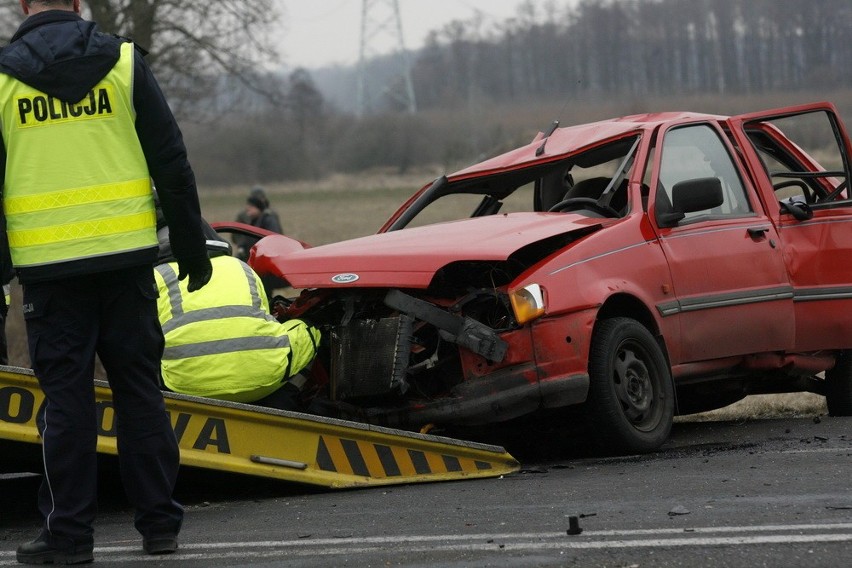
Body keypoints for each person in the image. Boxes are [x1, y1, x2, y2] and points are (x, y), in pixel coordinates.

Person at [0, 1, 213, 564]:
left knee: (67, 403)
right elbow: (171, 159)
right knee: (139, 392)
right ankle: (160, 525)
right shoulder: (123, 62)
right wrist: (191, 246)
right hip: (127, 265)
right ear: (77, 4)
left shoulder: (2, 79)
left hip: (49, 274)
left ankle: (69, 536)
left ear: (23, 5)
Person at [154, 216, 320, 410]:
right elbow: (265, 318)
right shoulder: (241, 267)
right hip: (263, 382)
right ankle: (289, 402)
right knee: (311, 329)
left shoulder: (155, 277)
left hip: (186, 387)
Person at [233, 186, 283, 262]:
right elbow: (236, 233)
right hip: (249, 253)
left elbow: (276, 235)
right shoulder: (244, 215)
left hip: (263, 255)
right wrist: (241, 247)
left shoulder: (270, 216)